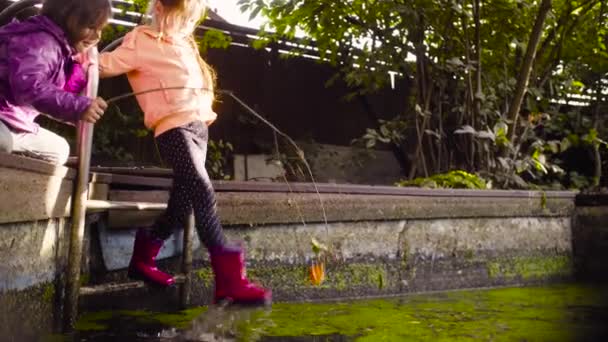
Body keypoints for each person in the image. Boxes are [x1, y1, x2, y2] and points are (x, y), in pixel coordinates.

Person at [98, 0, 271, 306]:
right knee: (202, 191)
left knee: (182, 204)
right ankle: (229, 278)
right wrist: (80, 52)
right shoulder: (141, 40)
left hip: (198, 129)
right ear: (160, 11)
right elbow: (104, 65)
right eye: (181, 18)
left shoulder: (185, 45)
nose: (185, 25)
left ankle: (143, 257)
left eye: (189, 20)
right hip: (173, 129)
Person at [0, 0, 110, 165]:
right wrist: (78, 106)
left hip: (16, 123)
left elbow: (57, 93)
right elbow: (29, 88)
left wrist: (80, 73)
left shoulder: (62, 51)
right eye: (91, 27)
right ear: (66, 18)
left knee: (58, 150)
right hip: (3, 117)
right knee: (3, 142)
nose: (97, 36)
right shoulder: (41, 42)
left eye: (100, 29)